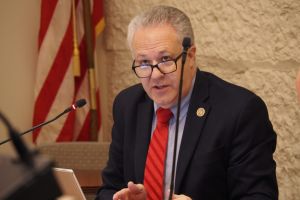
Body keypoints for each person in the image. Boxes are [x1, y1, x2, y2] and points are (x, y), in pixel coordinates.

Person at [95, 5, 278, 200]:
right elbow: (109, 188)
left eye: (165, 59)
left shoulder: (241, 111)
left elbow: (259, 196)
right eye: (144, 63)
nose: (155, 75)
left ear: (190, 56)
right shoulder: (128, 105)